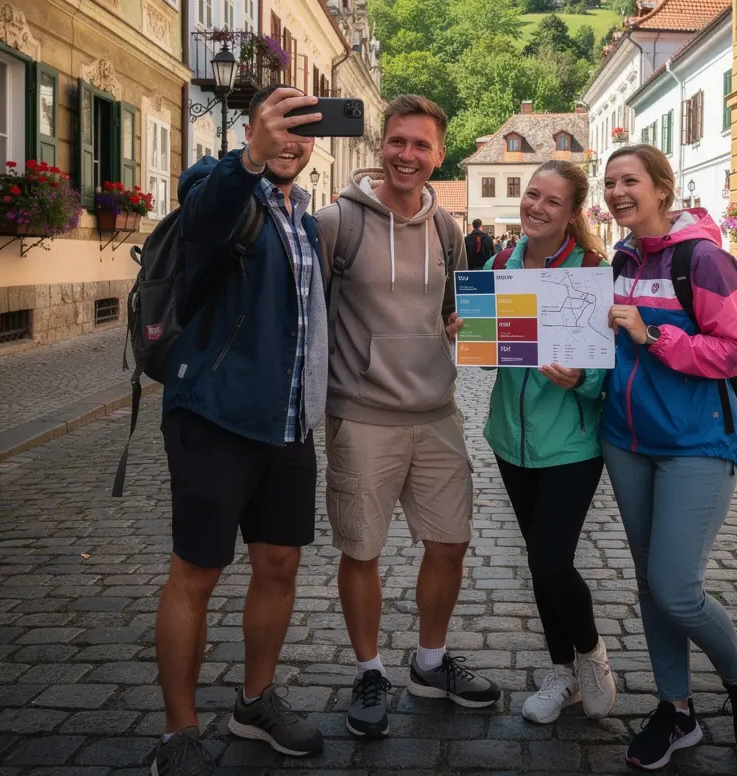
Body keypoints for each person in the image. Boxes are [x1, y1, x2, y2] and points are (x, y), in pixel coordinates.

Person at [152, 86, 327, 776]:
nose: (292, 140)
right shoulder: (218, 183)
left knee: (278, 565)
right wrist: (247, 158)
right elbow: (207, 218)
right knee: (196, 571)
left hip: (288, 422)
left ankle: (254, 702)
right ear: (253, 126)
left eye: (303, 132)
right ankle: (178, 731)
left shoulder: (305, 221)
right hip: (215, 415)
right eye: (279, 126)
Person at [316, 95, 501, 740]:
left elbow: (461, 309)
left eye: (421, 146)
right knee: (361, 548)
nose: (408, 155)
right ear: (381, 145)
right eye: (398, 141)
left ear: (438, 154)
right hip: (362, 414)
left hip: (437, 410)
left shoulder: (448, 229)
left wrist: (463, 325)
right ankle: (369, 669)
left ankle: (429, 660)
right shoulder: (337, 223)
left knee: (449, 542)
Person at [599, 145, 737, 770]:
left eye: (631, 181)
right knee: (651, 585)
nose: (619, 192)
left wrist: (654, 336)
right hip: (626, 442)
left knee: (676, 588)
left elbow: (733, 352)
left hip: (696, 444)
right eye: (611, 182)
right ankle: (677, 711)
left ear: (662, 189)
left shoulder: (703, 259)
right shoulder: (619, 258)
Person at [481, 161, 617, 725]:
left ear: (572, 213)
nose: (536, 206)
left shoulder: (590, 269)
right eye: (531, 195)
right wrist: (466, 329)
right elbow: (493, 347)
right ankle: (562, 673)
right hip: (509, 441)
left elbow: (610, 367)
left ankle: (591, 655)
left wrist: (581, 378)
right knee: (541, 566)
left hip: (571, 445)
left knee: (550, 558)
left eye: (552, 201)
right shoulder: (498, 264)